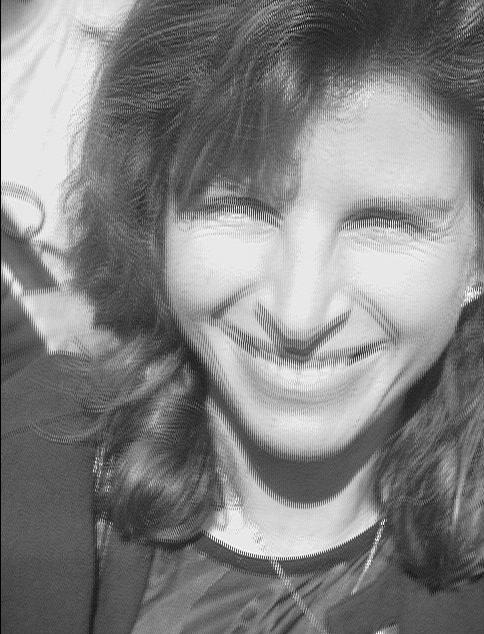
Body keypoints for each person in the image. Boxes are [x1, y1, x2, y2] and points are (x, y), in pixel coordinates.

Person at [2, 0, 483, 632]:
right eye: (238, 208)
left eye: (385, 222)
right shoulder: (34, 456)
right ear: (155, 220)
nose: (299, 315)